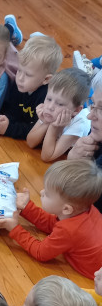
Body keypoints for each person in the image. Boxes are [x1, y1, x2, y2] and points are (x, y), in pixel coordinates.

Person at [0, 159, 102, 279]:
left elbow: (40, 252)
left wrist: (14, 229)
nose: (41, 192)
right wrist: (26, 208)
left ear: (66, 209)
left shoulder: (69, 230)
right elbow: (53, 224)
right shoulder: (83, 209)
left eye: (47, 194)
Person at [0, 34, 63, 139]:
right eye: (19, 70)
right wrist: (2, 121)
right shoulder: (20, 84)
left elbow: (35, 131)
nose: (20, 78)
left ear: (46, 79)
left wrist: (8, 129)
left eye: (28, 75)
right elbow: (11, 110)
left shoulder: (47, 98)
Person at [26, 67, 91, 160]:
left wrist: (53, 127)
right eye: (49, 99)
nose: (50, 107)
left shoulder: (79, 123)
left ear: (76, 110)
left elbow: (47, 157)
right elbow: (30, 142)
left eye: (60, 104)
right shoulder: (50, 110)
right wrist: (46, 123)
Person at [68, 73, 102, 211]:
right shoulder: (97, 135)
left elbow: (80, 203)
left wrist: (74, 165)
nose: (90, 116)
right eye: (92, 104)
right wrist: (73, 159)